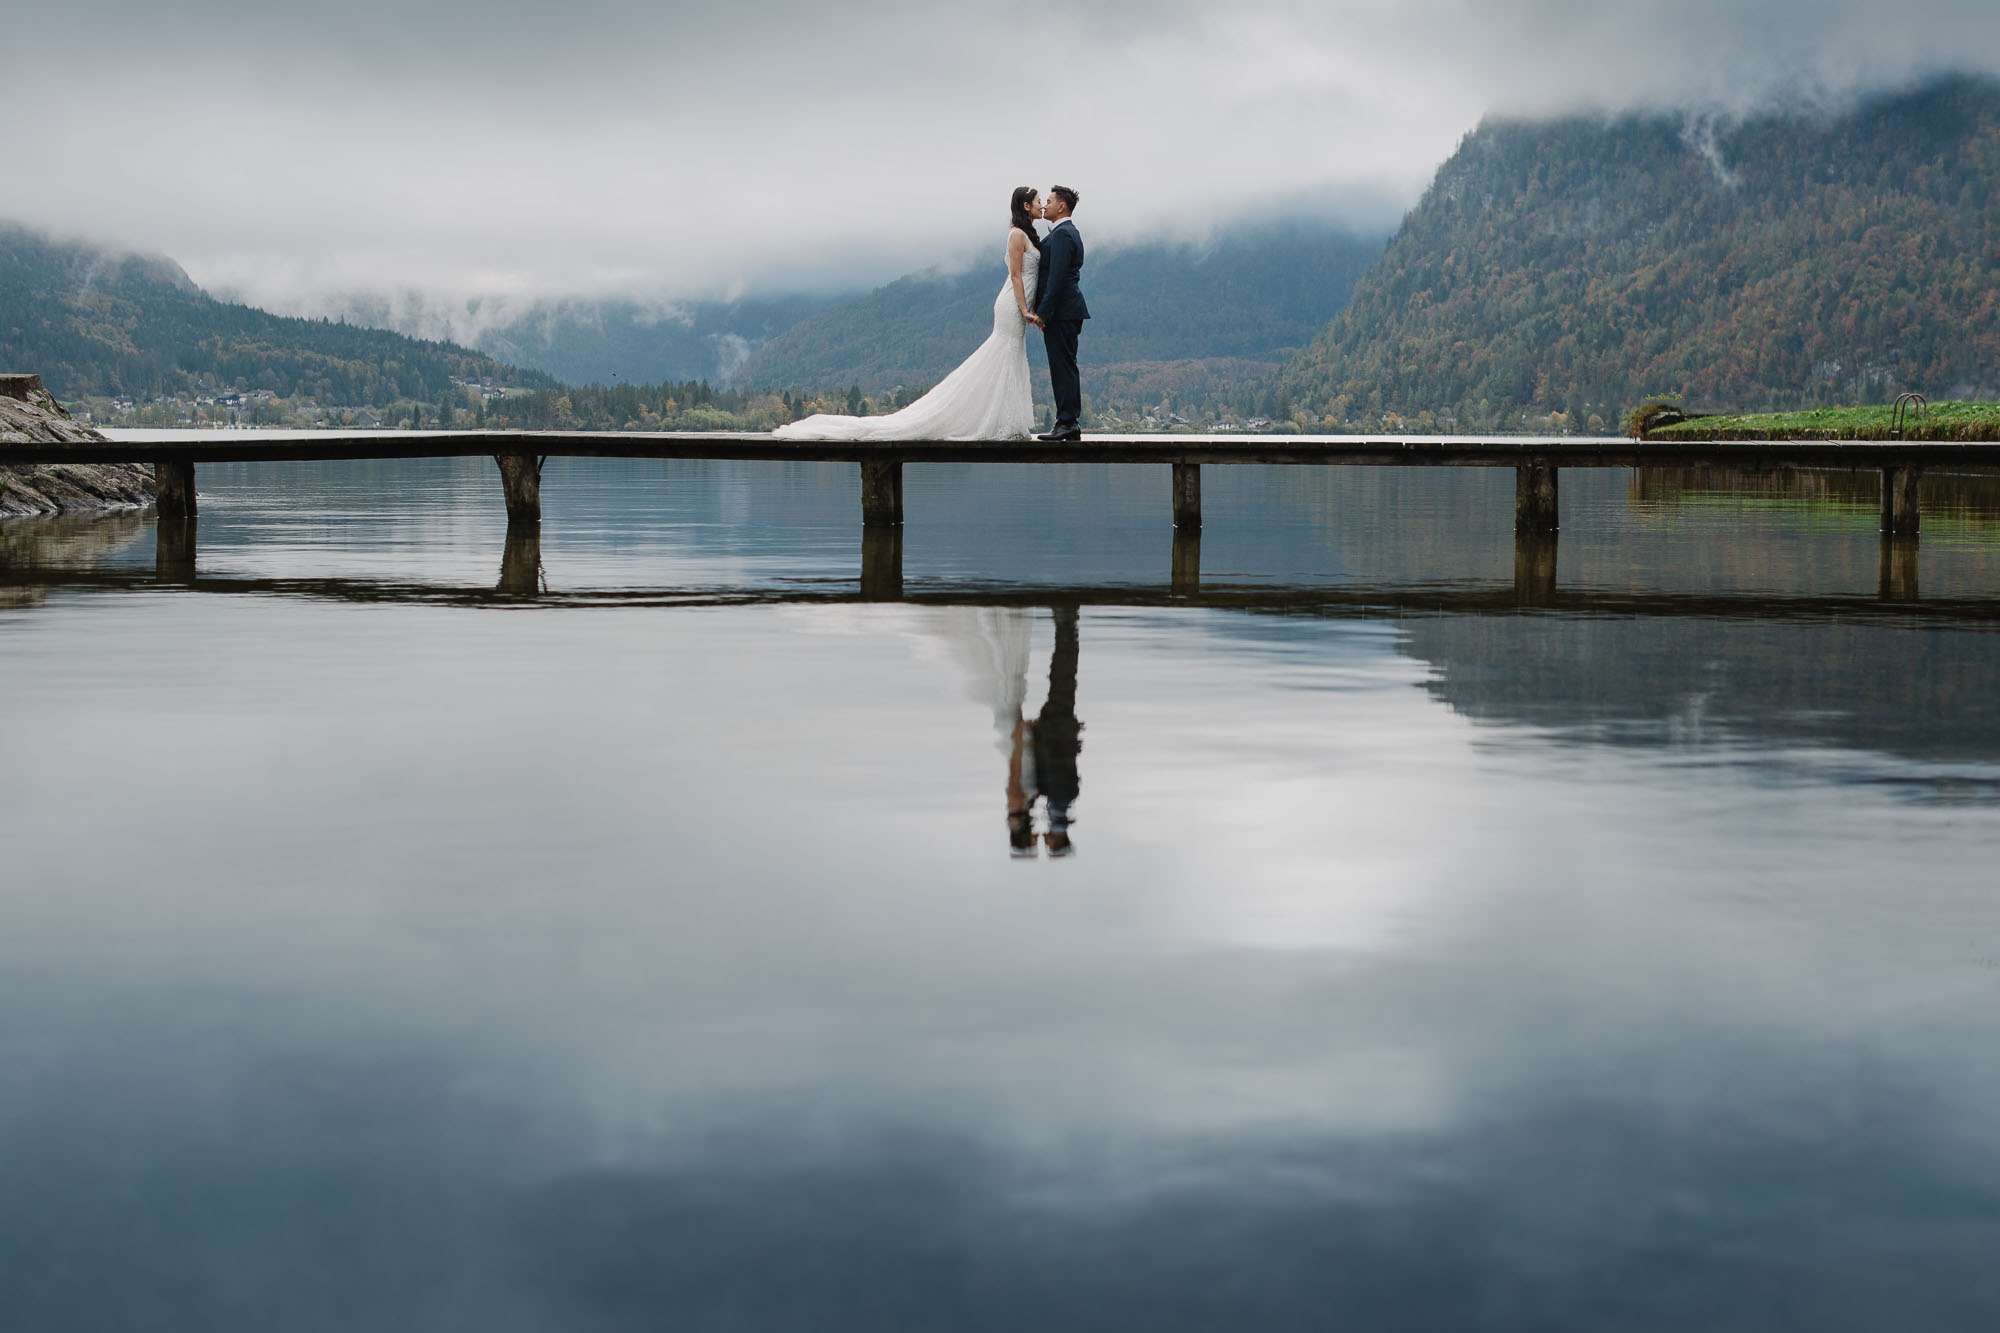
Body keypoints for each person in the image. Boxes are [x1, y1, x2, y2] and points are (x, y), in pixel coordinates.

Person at [774, 188, 1046, 441]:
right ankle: (996, 422)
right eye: (1037, 202)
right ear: (1025, 205)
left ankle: (1010, 422)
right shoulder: (1016, 235)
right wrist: (1024, 309)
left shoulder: (1028, 234)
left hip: (1019, 306)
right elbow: (1015, 275)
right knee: (1003, 356)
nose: (1041, 205)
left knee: (1011, 357)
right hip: (1012, 306)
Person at [1033, 186, 1089, 442]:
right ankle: (1068, 421)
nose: (1045, 205)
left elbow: (1056, 279)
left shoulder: (1064, 235)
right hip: (1064, 310)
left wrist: (1043, 313)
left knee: (1063, 366)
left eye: (1049, 201)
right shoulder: (1062, 233)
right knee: (1063, 365)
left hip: (1063, 311)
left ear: (1062, 207)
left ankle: (1067, 421)